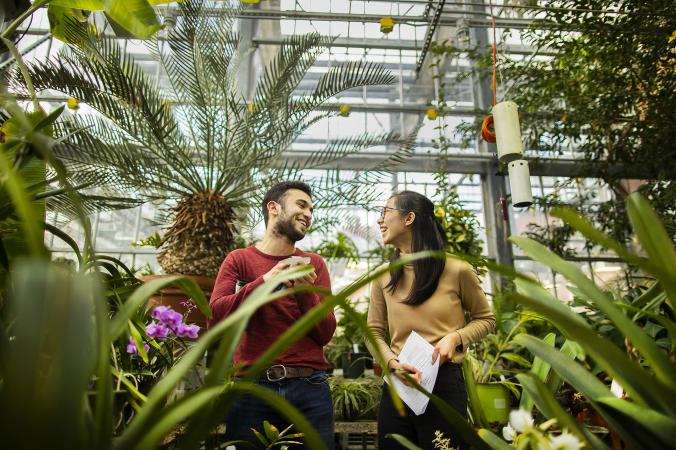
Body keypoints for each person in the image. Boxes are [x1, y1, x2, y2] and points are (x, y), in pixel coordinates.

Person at [208, 181, 336, 449]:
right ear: (273, 208)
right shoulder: (238, 260)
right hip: (251, 388)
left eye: (312, 209)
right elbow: (216, 317)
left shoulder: (314, 264)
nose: (309, 214)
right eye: (301, 205)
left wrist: (304, 293)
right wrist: (265, 281)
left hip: (309, 387)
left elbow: (325, 333)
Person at [366, 190, 495, 450]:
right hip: (399, 384)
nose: (380, 220)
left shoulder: (456, 269)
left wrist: (456, 337)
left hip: (444, 383)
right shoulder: (383, 275)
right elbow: (373, 331)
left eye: (386, 212)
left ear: (409, 218)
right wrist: (391, 363)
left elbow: (486, 319)